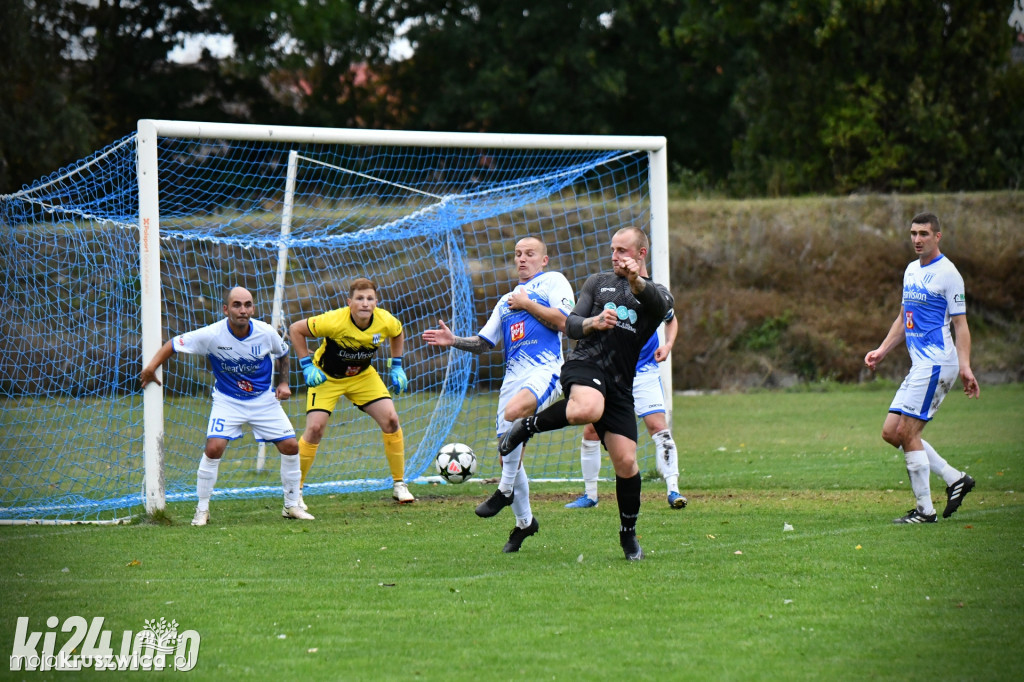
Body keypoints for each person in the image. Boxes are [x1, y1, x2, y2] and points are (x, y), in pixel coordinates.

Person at [499, 227, 673, 560]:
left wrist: (636, 282)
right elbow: (571, 323)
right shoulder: (597, 282)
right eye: (612, 249)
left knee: (626, 462)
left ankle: (628, 535)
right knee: (587, 409)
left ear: (641, 254)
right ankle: (527, 427)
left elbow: (657, 302)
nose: (615, 256)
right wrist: (593, 322)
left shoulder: (658, 294)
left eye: (622, 250)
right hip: (586, 365)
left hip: (621, 382)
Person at [422, 236, 575, 553]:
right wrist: (453, 340)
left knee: (514, 414)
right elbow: (483, 343)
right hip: (513, 376)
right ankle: (525, 524)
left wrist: (527, 304)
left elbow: (564, 322)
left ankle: (504, 491)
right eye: (518, 254)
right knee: (508, 451)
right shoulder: (506, 300)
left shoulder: (553, 282)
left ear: (543, 259)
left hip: (545, 369)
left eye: (530, 254)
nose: (522, 259)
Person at [139, 287, 314, 526]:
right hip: (228, 400)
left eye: (248, 305)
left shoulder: (265, 332)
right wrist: (150, 367)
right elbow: (173, 344)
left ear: (253, 308)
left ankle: (291, 505)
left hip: (263, 400)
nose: (243, 310)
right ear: (226, 309)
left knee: (291, 446)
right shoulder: (212, 334)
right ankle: (202, 510)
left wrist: (283, 382)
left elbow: (283, 353)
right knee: (214, 448)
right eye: (237, 305)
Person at [864, 212, 980, 524]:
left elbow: (961, 326)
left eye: (924, 234)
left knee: (907, 431)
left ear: (937, 236)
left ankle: (924, 511)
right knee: (892, 432)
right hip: (920, 366)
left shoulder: (949, 274)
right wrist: (882, 350)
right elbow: (904, 318)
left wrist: (966, 366)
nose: (917, 239)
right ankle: (955, 479)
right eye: (914, 233)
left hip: (937, 363)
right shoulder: (911, 271)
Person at [288, 277, 414, 508]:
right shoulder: (334, 320)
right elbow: (295, 329)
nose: (365, 303)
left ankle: (399, 484)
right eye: (359, 299)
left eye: (369, 298)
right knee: (315, 429)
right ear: (350, 302)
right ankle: (295, 491)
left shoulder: (385, 320)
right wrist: (306, 365)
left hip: (362, 377)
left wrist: (396, 365)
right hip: (327, 377)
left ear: (376, 302)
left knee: (392, 420)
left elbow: (398, 332)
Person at [566, 312, 686, 510]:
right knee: (591, 430)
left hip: (644, 372)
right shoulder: (606, 291)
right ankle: (590, 495)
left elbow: (671, 318)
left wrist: (668, 345)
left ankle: (673, 490)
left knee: (658, 427)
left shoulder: (652, 295)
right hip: (613, 372)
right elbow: (584, 324)